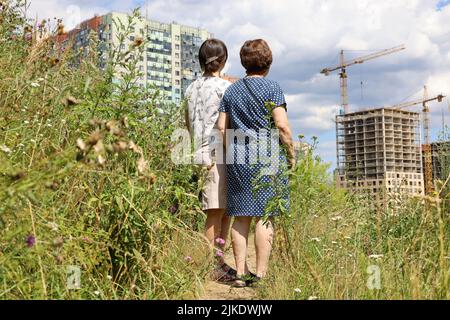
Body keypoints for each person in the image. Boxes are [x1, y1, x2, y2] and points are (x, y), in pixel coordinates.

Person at [217, 39, 295, 287]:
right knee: (265, 215)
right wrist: (291, 154)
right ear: (268, 62)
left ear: (243, 63)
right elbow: (282, 126)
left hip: (238, 157)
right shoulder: (273, 88)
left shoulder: (231, 91)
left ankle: (239, 273)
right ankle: (260, 275)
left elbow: (221, 128)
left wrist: (232, 151)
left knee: (240, 216)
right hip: (267, 156)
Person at [184, 39, 236, 282]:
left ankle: (219, 261)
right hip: (218, 153)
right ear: (223, 60)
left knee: (219, 208)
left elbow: (187, 123)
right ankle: (213, 266)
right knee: (215, 211)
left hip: (197, 152)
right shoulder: (224, 88)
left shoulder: (190, 88)